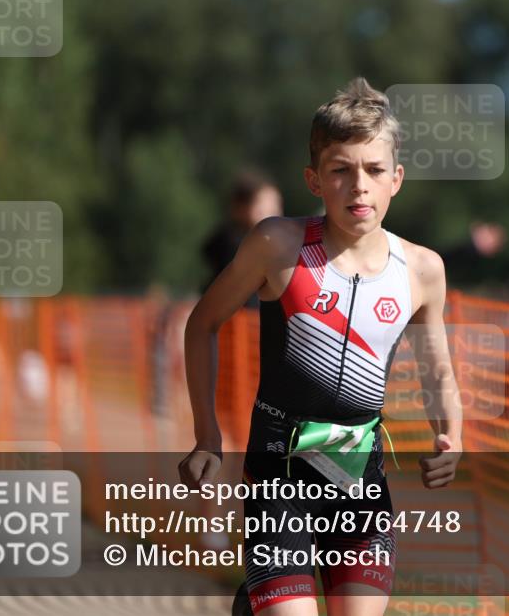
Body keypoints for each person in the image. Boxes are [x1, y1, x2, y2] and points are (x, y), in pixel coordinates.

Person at [179, 77, 463, 616]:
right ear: (314, 179)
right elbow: (202, 324)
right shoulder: (277, 244)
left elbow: (440, 372)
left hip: (360, 482)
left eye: (375, 171)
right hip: (278, 478)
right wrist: (206, 435)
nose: (359, 186)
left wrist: (453, 436)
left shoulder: (423, 270)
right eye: (341, 170)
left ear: (396, 180)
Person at [201, 170, 284, 297]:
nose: (271, 217)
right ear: (241, 208)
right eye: (262, 210)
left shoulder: (277, 247)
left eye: (274, 209)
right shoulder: (231, 245)